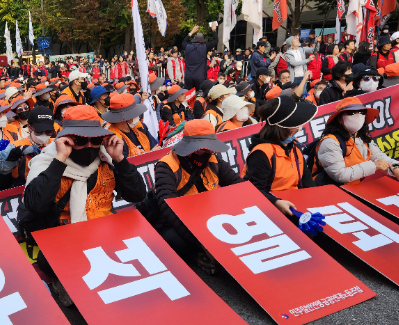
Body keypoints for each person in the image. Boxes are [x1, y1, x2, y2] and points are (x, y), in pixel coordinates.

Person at [17, 105, 146, 302]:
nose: (88, 146)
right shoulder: (47, 161)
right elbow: (34, 203)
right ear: (66, 138)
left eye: (95, 140)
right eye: (80, 140)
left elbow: (137, 194)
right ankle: (67, 281)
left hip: (106, 229)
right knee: (48, 260)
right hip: (68, 236)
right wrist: (60, 159)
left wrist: (119, 159)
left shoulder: (107, 157)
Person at [152, 120, 243, 268]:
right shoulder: (167, 166)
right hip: (178, 220)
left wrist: (273, 202)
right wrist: (201, 244)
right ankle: (197, 256)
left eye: (211, 149)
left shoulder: (214, 159)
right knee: (176, 241)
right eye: (201, 150)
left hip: (206, 214)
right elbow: (169, 209)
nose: (207, 153)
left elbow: (238, 185)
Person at [242, 96, 317, 216]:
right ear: (283, 128)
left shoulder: (294, 148)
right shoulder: (261, 153)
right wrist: (276, 202)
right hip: (272, 212)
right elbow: (254, 191)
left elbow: (307, 182)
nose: (299, 128)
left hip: (297, 206)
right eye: (296, 124)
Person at [311, 97, 399, 186]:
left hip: (352, 189)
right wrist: (374, 165)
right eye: (351, 113)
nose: (358, 116)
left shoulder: (362, 138)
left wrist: (396, 168)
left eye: (362, 112)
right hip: (328, 193)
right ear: (339, 119)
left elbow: (379, 157)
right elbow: (340, 175)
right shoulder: (330, 142)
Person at [0, 107, 56, 186]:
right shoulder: (16, 145)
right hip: (23, 189)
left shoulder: (57, 143)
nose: (44, 135)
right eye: (39, 131)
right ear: (29, 127)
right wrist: (15, 153)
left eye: (48, 132)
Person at [182, 24, 218, 92]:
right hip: (200, 77)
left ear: (194, 40)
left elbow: (183, 42)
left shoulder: (187, 47)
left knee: (189, 95)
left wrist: (191, 32)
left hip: (188, 77)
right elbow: (216, 40)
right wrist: (214, 29)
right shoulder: (204, 47)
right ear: (202, 41)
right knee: (200, 96)